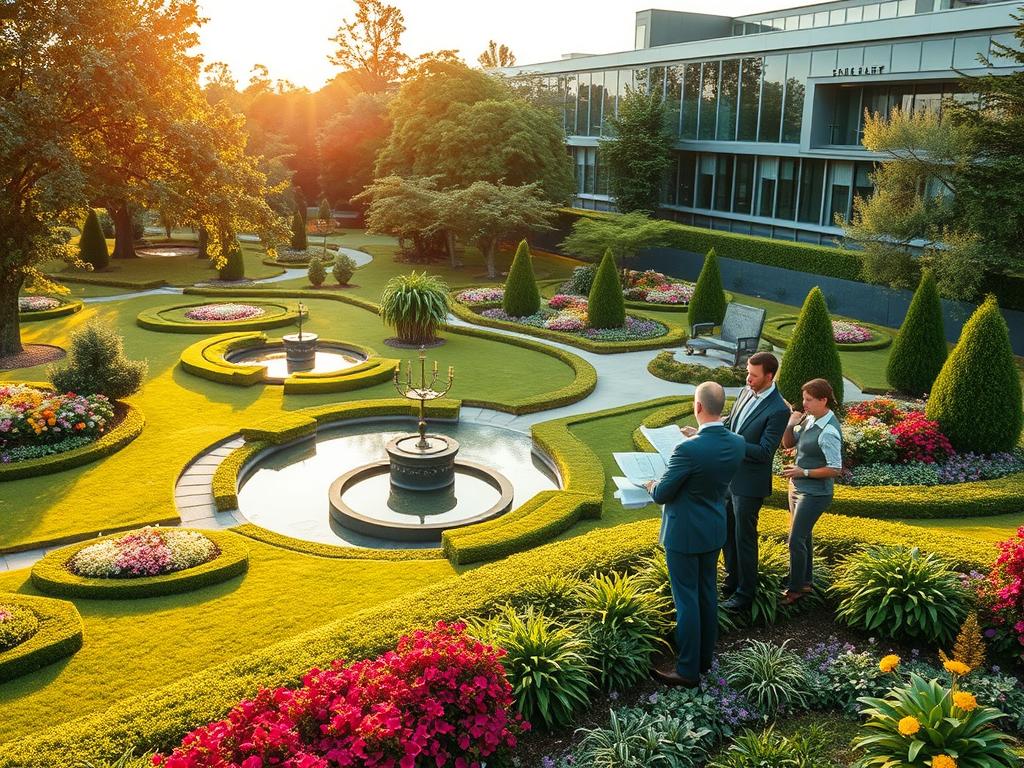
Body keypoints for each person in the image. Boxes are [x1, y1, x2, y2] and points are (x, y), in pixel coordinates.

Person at [645, 381, 745, 687]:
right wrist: (695, 436)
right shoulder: (737, 442)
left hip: (684, 534)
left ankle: (687, 670)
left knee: (686, 600)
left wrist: (650, 484)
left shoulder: (687, 450)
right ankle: (704, 660)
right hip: (713, 528)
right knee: (707, 595)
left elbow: (662, 493)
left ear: (698, 407)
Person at [719, 352, 790, 612]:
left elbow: (763, 452)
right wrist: (709, 430)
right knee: (727, 533)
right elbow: (731, 423)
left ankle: (745, 594)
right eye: (748, 373)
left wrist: (729, 442)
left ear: (769, 376)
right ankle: (731, 581)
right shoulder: (744, 392)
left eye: (753, 375)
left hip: (749, 485)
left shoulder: (779, 409)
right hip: (729, 478)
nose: (748, 378)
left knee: (744, 539)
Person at [779, 378, 844, 605]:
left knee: (795, 540)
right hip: (797, 487)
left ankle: (795, 589)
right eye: (804, 399)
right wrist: (790, 423)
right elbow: (787, 444)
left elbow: (835, 469)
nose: (803, 404)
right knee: (803, 537)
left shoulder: (828, 431)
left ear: (823, 400)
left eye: (808, 400)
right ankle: (804, 581)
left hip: (815, 494)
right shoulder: (809, 419)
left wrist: (803, 472)